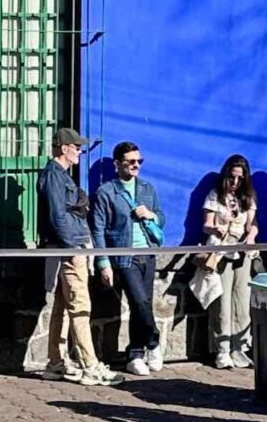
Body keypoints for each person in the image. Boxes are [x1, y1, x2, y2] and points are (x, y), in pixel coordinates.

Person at [38, 128, 123, 386]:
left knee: (63, 307)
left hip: (69, 247)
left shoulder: (60, 175)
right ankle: (90, 366)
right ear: (64, 148)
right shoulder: (54, 176)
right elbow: (58, 216)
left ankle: (55, 362)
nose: (80, 152)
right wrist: (74, 247)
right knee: (80, 307)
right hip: (70, 249)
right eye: (77, 147)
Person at [91, 141, 166, 376]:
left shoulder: (147, 188)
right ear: (117, 164)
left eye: (139, 161)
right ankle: (153, 342)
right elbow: (98, 229)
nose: (136, 166)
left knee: (140, 304)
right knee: (140, 301)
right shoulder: (106, 192)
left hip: (148, 253)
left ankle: (135, 354)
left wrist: (151, 215)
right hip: (124, 256)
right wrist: (103, 263)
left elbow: (161, 217)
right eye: (130, 162)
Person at [202, 154, 259, 369]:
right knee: (222, 302)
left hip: (242, 252)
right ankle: (222, 349)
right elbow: (205, 224)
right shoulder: (214, 196)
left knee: (242, 300)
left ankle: (240, 347)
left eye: (240, 178)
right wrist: (216, 228)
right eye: (232, 177)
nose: (235, 182)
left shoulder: (248, 198)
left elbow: (253, 224)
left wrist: (251, 235)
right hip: (221, 251)